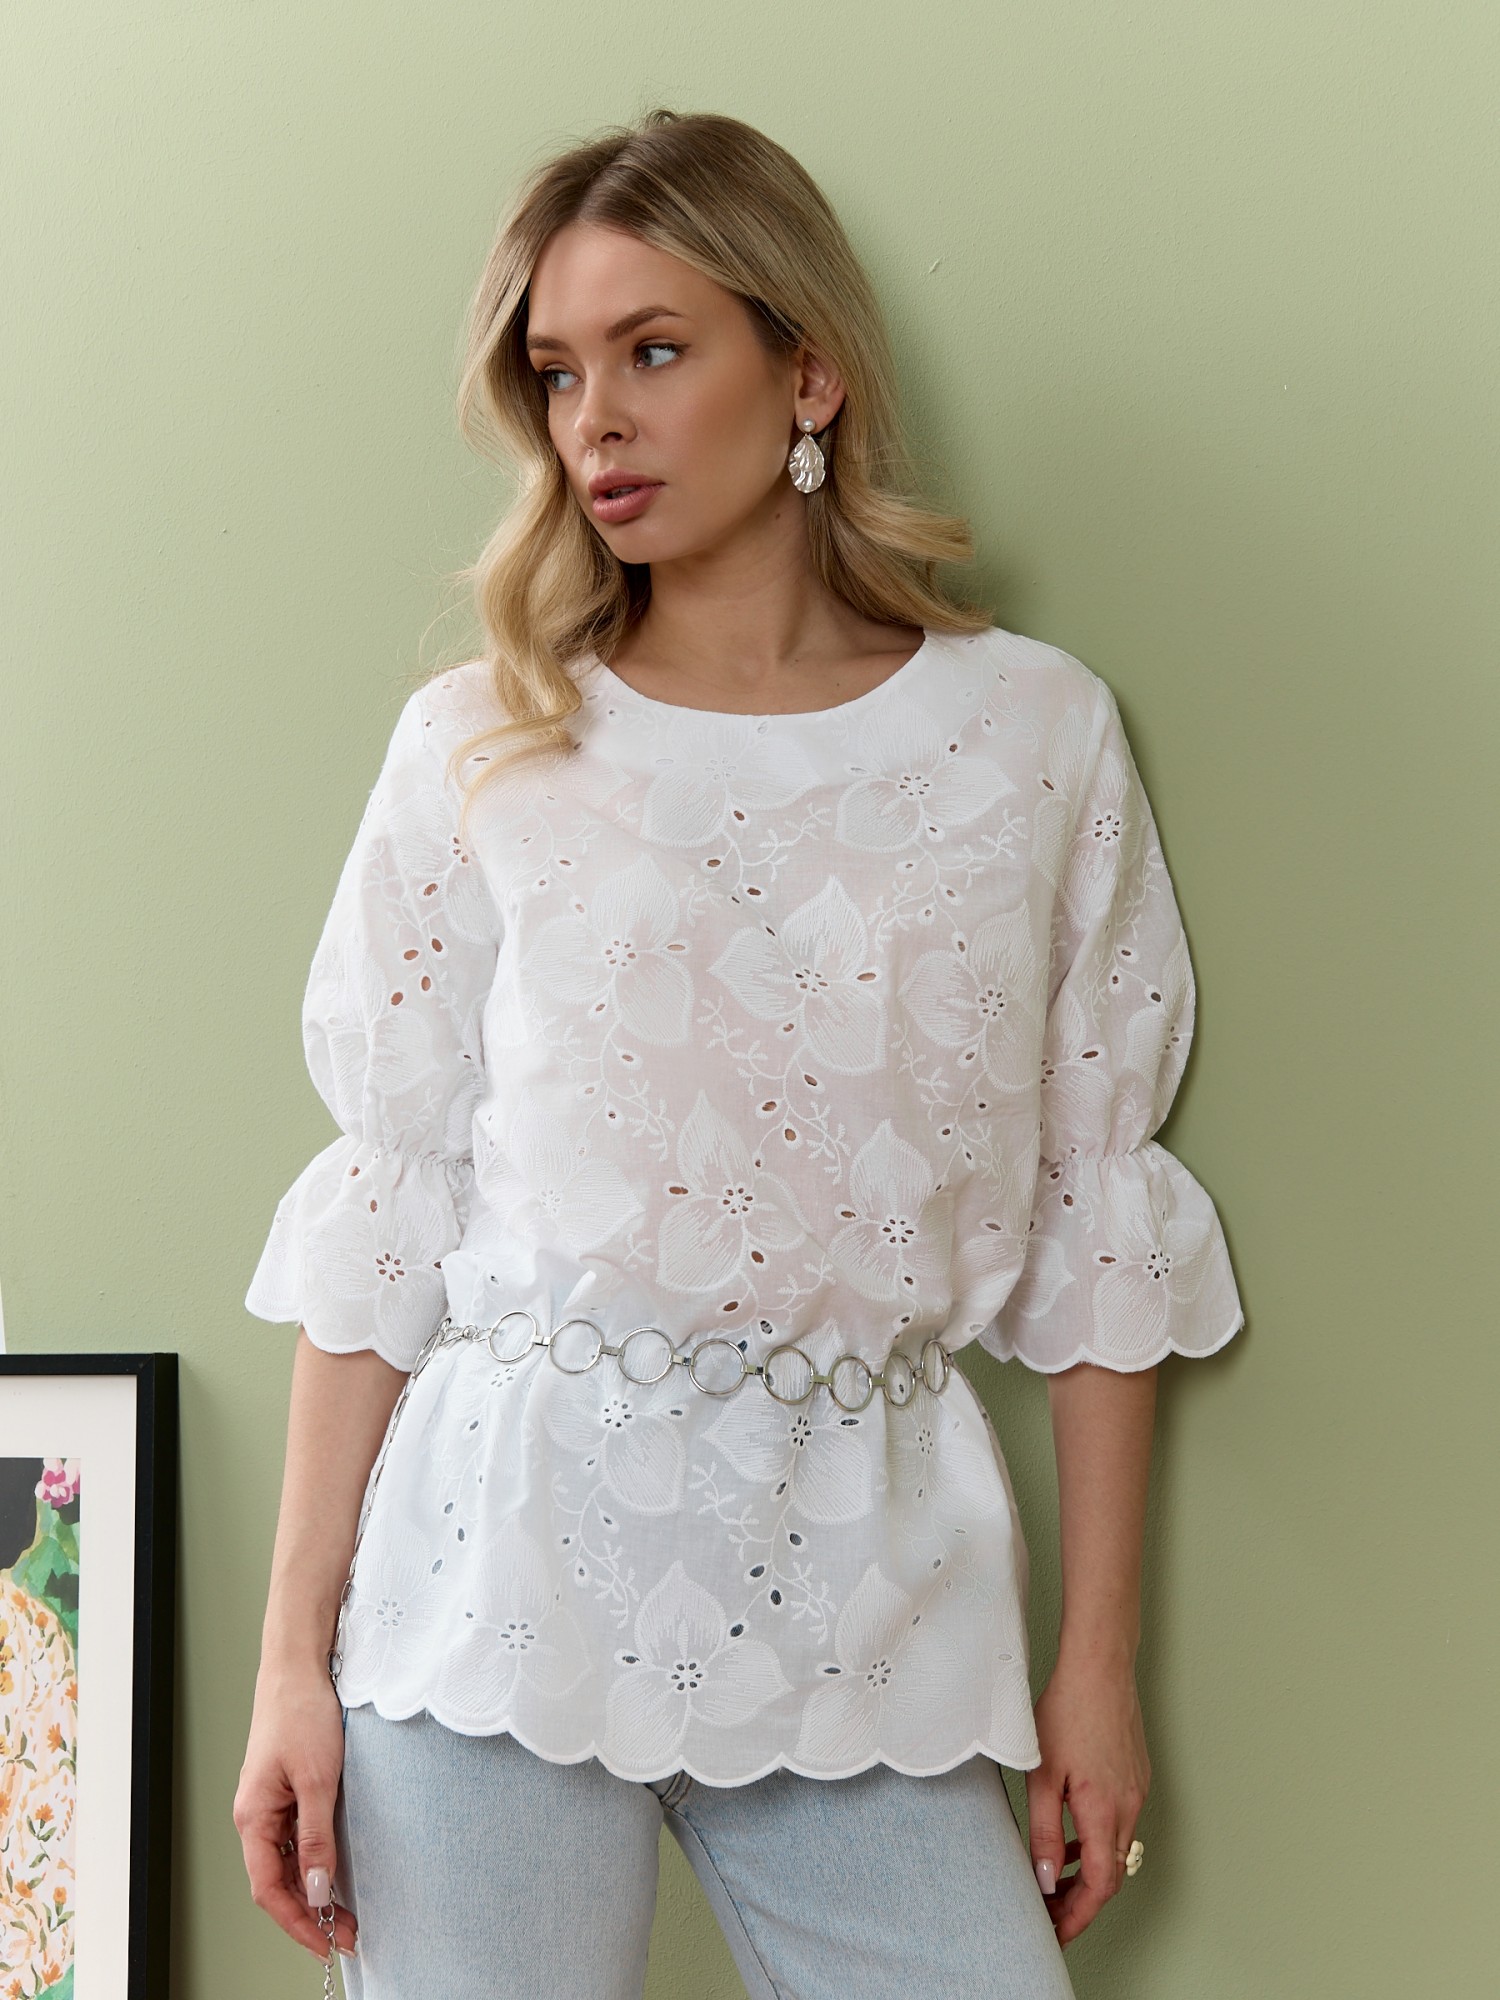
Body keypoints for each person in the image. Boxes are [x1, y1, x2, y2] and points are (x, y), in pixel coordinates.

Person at [232, 107, 1244, 2000]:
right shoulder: (485, 743)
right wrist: (292, 1664)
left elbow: (1096, 1213)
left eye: (653, 350)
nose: (594, 421)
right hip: (495, 1593)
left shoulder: (1032, 738)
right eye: (557, 373)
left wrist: (1094, 1671)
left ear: (810, 372)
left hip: (883, 1621)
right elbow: (391, 1201)